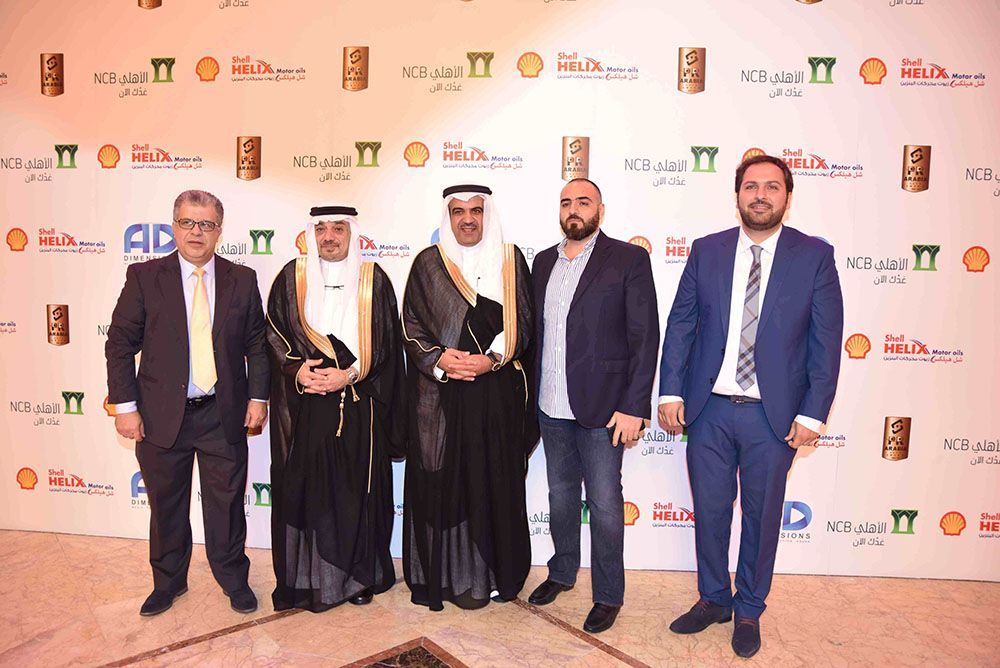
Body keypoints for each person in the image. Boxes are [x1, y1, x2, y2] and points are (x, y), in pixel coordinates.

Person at [658, 154, 843, 658]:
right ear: (737, 194)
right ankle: (714, 598)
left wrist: (812, 413)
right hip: (710, 409)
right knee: (711, 512)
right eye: (751, 187)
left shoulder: (814, 257)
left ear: (787, 196)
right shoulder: (707, 251)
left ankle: (749, 609)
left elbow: (826, 343)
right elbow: (681, 324)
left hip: (773, 416)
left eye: (772, 187)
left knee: (761, 517)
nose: (760, 195)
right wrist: (670, 391)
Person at [106, 189, 269, 616]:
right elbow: (119, 343)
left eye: (207, 224)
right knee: (166, 507)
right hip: (161, 417)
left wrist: (258, 398)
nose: (197, 232)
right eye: (188, 222)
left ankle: (233, 579)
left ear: (219, 229)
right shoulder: (144, 276)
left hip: (223, 413)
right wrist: (125, 407)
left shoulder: (243, 279)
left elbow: (257, 344)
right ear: (173, 226)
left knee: (228, 507)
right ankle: (168, 583)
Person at [527, 178, 659, 634]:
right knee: (560, 497)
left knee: (603, 503)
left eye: (583, 201)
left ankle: (608, 595)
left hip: (605, 410)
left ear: (601, 208)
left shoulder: (628, 259)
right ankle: (562, 572)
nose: (574, 209)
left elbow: (645, 337)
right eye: (566, 202)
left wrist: (634, 405)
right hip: (551, 405)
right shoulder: (542, 262)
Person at [402, 184, 538, 611]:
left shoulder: (511, 260)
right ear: (448, 216)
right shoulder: (427, 264)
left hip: (494, 395)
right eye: (458, 211)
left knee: (493, 482)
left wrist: (491, 359)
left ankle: (496, 573)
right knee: (446, 483)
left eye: (475, 211)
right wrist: (443, 360)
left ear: (486, 214)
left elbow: (527, 323)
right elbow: (410, 325)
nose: (467, 219)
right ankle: (443, 576)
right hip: (441, 395)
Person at [265, 206, 406, 612]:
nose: (329, 236)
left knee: (355, 493)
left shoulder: (372, 279)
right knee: (308, 491)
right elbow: (272, 334)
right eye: (322, 228)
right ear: (312, 233)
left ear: (351, 233)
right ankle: (307, 577)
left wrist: (350, 375)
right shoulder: (291, 277)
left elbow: (386, 343)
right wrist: (298, 371)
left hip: (359, 403)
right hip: (306, 405)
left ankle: (359, 576)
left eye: (338, 228)